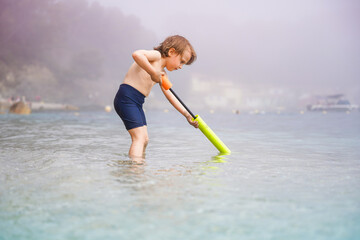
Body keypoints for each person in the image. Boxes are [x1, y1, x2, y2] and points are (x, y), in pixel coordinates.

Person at [114, 35, 199, 158]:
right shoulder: (156, 56)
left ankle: (139, 164)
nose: (181, 66)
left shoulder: (163, 74)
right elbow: (137, 54)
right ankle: (134, 170)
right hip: (127, 97)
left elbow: (171, 96)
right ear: (171, 52)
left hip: (137, 102)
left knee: (145, 139)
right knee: (139, 138)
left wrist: (186, 115)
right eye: (181, 61)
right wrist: (152, 72)